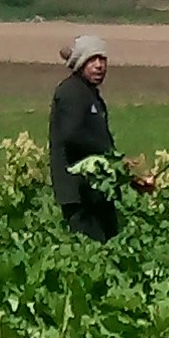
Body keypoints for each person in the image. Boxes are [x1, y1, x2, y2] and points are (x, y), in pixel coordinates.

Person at [50, 32, 126, 240]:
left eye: (102, 59)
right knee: (92, 249)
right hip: (80, 194)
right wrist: (110, 156)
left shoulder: (90, 94)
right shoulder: (70, 93)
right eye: (92, 60)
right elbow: (72, 135)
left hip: (97, 192)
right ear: (80, 63)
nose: (100, 65)